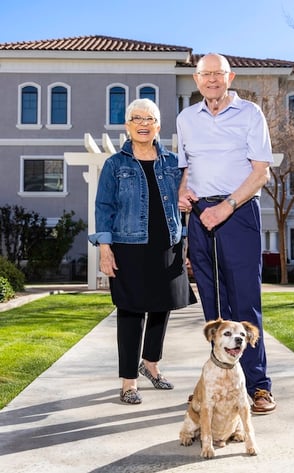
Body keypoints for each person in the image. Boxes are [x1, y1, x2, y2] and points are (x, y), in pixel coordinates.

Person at [177, 53, 276, 415]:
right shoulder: (187, 118)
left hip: (238, 212)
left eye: (218, 74)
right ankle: (216, 385)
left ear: (229, 77)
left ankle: (259, 386)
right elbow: (185, 169)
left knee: (245, 302)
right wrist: (182, 193)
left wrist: (227, 206)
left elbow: (261, 172)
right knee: (214, 309)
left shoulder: (250, 113)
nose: (212, 80)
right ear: (196, 79)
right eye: (206, 75)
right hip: (201, 215)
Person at [89, 98, 194, 405]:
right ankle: (128, 382)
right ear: (128, 125)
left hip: (168, 246)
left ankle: (151, 365)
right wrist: (105, 249)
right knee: (131, 311)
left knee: (163, 306)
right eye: (137, 118)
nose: (143, 124)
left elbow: (184, 201)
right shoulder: (114, 165)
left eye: (150, 119)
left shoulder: (173, 162)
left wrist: (185, 241)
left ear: (158, 126)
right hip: (129, 247)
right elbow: (103, 207)